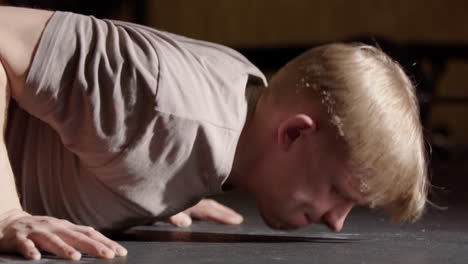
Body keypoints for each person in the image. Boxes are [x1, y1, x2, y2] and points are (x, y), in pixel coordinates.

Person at [0, 6, 428, 261]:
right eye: (337, 191)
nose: (336, 222)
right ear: (295, 134)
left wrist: (156, 182)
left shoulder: (235, 101)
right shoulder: (158, 100)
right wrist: (6, 215)